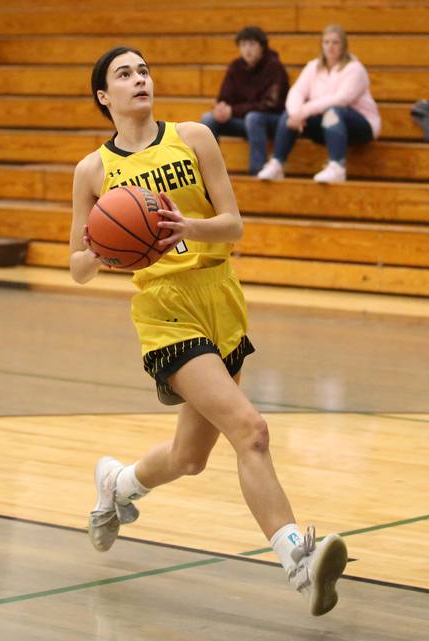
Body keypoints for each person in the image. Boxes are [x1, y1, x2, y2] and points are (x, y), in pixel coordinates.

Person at [70, 46, 348, 617]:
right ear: (105, 96)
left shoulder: (195, 137)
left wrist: (185, 225)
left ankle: (118, 486)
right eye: (124, 74)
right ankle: (298, 559)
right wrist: (105, 250)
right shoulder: (93, 171)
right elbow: (76, 263)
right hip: (163, 310)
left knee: (189, 457)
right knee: (251, 428)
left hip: (220, 296)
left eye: (144, 69)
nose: (139, 79)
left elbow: (234, 225)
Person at [257, 25, 380, 183]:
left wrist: (304, 111)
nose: (330, 46)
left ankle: (337, 166)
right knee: (289, 114)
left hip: (361, 126)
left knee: (334, 111)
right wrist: (296, 114)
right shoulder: (313, 67)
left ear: (344, 45)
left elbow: (341, 99)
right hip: (325, 125)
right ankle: (277, 164)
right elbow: (297, 92)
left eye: (335, 42)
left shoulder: (355, 69)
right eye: (326, 42)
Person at [200, 26, 289, 175]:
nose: (247, 50)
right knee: (208, 119)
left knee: (253, 118)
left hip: (270, 121)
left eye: (252, 45)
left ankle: (257, 171)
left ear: (262, 47)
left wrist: (233, 110)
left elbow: (271, 104)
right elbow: (224, 98)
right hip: (243, 120)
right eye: (243, 45)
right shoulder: (235, 66)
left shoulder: (274, 66)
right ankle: (210, 172)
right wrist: (220, 108)